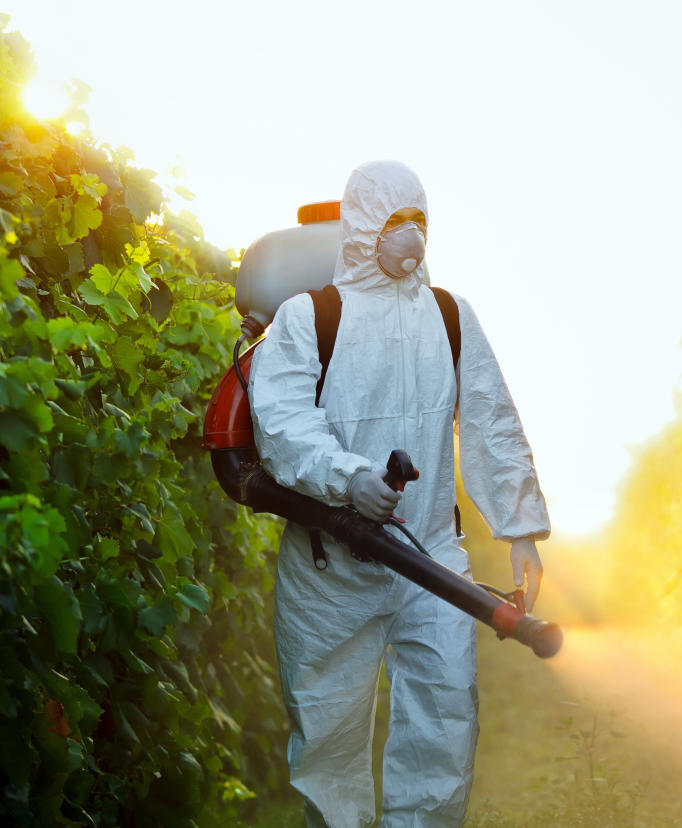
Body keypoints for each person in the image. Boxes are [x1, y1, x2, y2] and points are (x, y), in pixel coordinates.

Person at [248, 160, 551, 827]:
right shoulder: (308, 318)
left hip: (431, 560)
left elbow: (491, 420)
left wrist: (519, 527)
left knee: (443, 733)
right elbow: (284, 425)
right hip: (331, 570)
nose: (409, 237)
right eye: (393, 222)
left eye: (418, 221)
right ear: (359, 227)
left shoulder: (449, 316)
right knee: (330, 745)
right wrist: (351, 479)